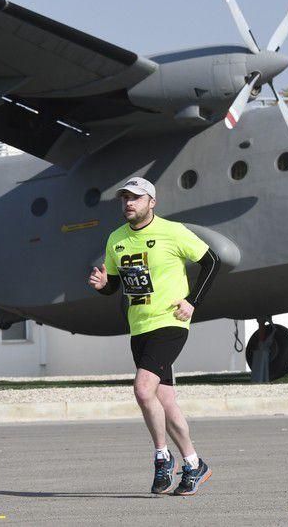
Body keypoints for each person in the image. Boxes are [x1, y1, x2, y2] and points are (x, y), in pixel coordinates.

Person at [88, 177, 221, 496]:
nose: (128, 203)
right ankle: (193, 464)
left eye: (135, 198)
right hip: (139, 327)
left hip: (170, 322)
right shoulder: (116, 239)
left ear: (152, 202)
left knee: (142, 387)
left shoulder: (172, 232)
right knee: (165, 400)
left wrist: (193, 302)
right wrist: (103, 285)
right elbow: (116, 285)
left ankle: (162, 458)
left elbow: (211, 261)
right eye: (124, 199)